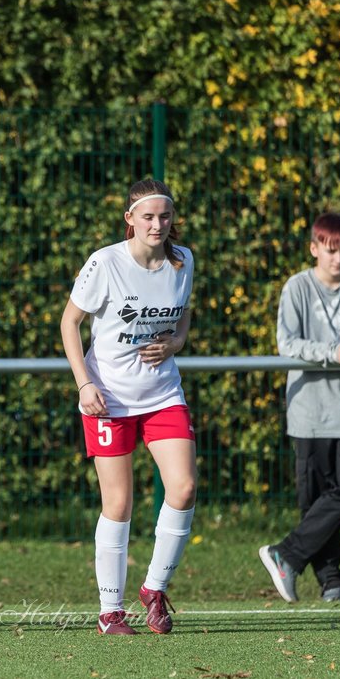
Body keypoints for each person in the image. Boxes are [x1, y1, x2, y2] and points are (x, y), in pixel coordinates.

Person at [60, 178, 197, 636]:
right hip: (109, 400)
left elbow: (183, 315)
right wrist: (84, 385)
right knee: (118, 504)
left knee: (184, 489)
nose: (157, 224)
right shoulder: (105, 263)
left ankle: (154, 590)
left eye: (164, 216)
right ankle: (110, 613)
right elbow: (69, 323)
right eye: (148, 217)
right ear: (130, 220)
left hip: (162, 395)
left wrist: (175, 342)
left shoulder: (183, 260)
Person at [259, 213, 340, 603]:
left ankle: (285, 554)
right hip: (310, 411)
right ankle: (330, 578)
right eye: (331, 251)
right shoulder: (297, 287)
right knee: (316, 499)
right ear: (315, 248)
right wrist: (331, 353)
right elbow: (288, 344)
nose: (338, 259)